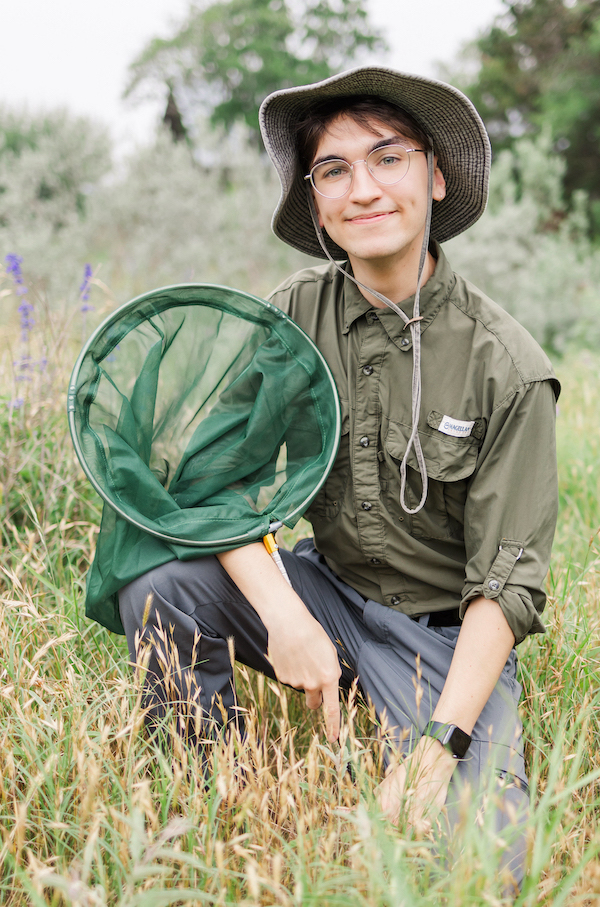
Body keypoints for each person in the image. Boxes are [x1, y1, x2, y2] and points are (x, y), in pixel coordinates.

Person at [118, 67, 559, 886]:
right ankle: (203, 795)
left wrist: (436, 750)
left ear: (435, 176)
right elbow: (217, 483)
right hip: (326, 590)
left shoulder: (509, 367)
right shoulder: (292, 314)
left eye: (387, 158)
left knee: (489, 867)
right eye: (334, 169)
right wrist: (285, 614)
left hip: (441, 638)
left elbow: (505, 589)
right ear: (316, 202)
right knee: (160, 581)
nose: (364, 188)